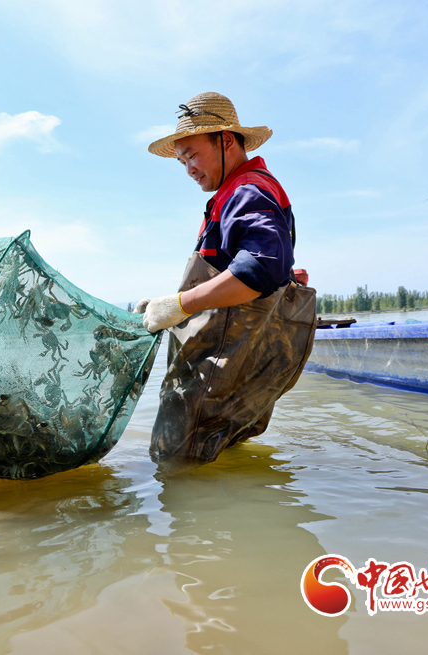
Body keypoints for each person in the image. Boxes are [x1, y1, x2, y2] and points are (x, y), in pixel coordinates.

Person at [136, 92, 317, 462]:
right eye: (182, 161)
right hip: (233, 374)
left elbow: (261, 267)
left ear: (227, 141)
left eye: (192, 155)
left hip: (217, 376)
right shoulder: (240, 192)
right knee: (218, 461)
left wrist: (181, 304)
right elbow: (253, 268)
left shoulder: (246, 190)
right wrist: (166, 304)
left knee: (176, 466)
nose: (188, 168)